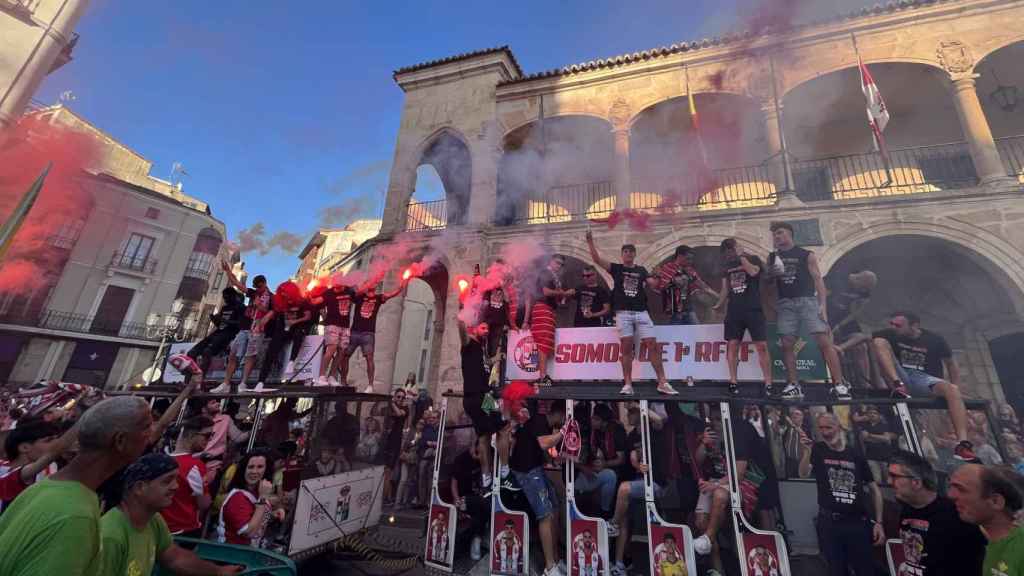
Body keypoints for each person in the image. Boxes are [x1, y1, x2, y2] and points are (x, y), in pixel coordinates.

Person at [0, 396, 153, 576]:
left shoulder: (44, 487)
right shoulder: (77, 516)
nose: (151, 434)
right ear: (120, 440)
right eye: (146, 427)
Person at [101, 453, 242, 575]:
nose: (176, 486)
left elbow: (175, 557)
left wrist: (219, 572)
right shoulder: (111, 537)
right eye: (167, 481)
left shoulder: (153, 519)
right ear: (140, 488)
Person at [872, 311, 977, 461]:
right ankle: (898, 386)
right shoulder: (889, 334)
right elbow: (865, 339)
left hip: (924, 378)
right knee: (878, 342)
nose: (894, 327)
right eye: (892, 324)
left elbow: (951, 364)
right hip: (900, 375)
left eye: (898, 325)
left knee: (952, 390)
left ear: (914, 325)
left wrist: (956, 387)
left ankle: (963, 444)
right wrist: (841, 347)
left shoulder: (935, 339)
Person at [586, 230, 677, 395]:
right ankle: (628, 384)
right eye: (625, 252)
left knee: (653, 345)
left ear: (634, 254)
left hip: (641, 312)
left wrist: (657, 275)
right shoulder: (617, 268)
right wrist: (590, 242)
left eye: (631, 251)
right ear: (622, 255)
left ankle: (662, 382)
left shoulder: (641, 270)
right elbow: (596, 260)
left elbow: (654, 285)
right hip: (623, 313)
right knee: (626, 348)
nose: (628, 254)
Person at [766, 221, 850, 400]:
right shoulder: (773, 257)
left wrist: (822, 306)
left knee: (823, 340)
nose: (777, 236)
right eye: (774, 234)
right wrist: (774, 301)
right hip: (785, 303)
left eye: (779, 233)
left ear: (789, 234)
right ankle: (793, 384)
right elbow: (771, 283)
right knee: (787, 343)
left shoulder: (805, 254)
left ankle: (839, 384)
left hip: (807, 300)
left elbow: (818, 280)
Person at [798, 412, 885, 576]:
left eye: (828, 427)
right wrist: (806, 452)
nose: (825, 432)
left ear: (838, 427)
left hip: (857, 522)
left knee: (865, 569)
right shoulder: (817, 449)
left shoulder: (854, 454)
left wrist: (879, 522)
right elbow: (803, 473)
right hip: (830, 522)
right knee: (836, 569)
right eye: (821, 428)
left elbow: (874, 489)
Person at [887, 449, 986, 576]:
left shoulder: (957, 514)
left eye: (894, 476)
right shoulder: (907, 510)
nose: (889, 482)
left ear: (916, 483)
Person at [609, 404, 674, 576]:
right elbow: (632, 458)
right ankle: (619, 564)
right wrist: (639, 466)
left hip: (657, 483)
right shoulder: (631, 436)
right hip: (641, 481)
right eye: (628, 411)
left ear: (640, 413)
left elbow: (659, 420)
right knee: (622, 513)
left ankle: (612, 524)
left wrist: (638, 404)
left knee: (623, 489)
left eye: (631, 412)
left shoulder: (652, 429)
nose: (628, 414)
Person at [506, 399, 567, 576]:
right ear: (560, 414)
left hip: (534, 468)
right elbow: (543, 443)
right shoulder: (540, 420)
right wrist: (564, 432)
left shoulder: (543, 425)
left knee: (555, 507)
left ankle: (555, 559)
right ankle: (549, 568)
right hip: (525, 471)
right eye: (564, 419)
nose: (563, 422)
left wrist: (554, 460)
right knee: (546, 514)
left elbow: (539, 448)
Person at [714, 238, 772, 397]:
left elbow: (753, 272)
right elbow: (725, 289)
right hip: (734, 310)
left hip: (753, 309)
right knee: (732, 345)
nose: (729, 254)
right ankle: (733, 381)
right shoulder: (726, 267)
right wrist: (718, 304)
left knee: (761, 346)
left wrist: (741, 256)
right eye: (727, 252)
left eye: (732, 250)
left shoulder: (752, 259)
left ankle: (768, 382)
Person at [947, 464, 1024, 576]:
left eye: (961, 490)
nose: (950, 495)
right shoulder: (987, 540)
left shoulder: (1020, 548)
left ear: (995, 501)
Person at [213, 262, 276, 393]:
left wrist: (259, 306)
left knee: (250, 355)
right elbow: (237, 284)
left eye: (259, 286)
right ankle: (226, 383)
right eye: (255, 287)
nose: (257, 289)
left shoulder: (272, 297)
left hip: (258, 329)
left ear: (264, 283)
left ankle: (243, 383)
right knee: (233, 353)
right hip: (245, 327)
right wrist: (228, 271)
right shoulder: (254, 293)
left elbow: (272, 312)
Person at [339, 280, 406, 392]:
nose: (372, 285)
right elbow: (352, 293)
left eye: (374, 284)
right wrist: (363, 286)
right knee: (345, 355)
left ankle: (370, 385)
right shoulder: (360, 297)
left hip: (368, 333)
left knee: (369, 358)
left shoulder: (379, 298)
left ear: (377, 286)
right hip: (355, 331)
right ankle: (343, 381)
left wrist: (401, 285)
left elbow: (391, 295)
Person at [0, 419, 77, 512]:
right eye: (49, 440)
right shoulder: (6, 473)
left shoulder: (52, 465)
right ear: (24, 447)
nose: (57, 443)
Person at [460, 320, 501, 490]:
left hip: (481, 397)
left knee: (484, 436)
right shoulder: (468, 344)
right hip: (479, 397)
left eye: (488, 328)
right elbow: (461, 330)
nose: (486, 331)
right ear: (473, 328)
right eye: (483, 328)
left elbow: (484, 365)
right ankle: (502, 468)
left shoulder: (481, 350)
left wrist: (496, 357)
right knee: (503, 427)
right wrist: (463, 314)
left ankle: (486, 476)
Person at [523, 254, 574, 387]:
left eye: (561, 264)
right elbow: (545, 292)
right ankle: (542, 376)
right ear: (551, 262)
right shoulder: (546, 273)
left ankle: (543, 375)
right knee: (543, 342)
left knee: (546, 342)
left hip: (549, 309)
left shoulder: (554, 277)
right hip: (542, 308)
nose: (559, 266)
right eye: (557, 262)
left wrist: (562, 296)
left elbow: (551, 294)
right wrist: (563, 293)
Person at [218, 451, 286, 547]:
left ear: (266, 470)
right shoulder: (238, 497)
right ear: (243, 470)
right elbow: (249, 533)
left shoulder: (257, 491)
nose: (254, 471)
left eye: (260, 467)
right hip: (233, 556)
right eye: (250, 467)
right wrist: (262, 499)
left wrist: (271, 515)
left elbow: (254, 517)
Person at [162, 416, 214, 537]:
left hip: (160, 530)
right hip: (184, 531)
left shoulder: (161, 459)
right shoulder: (195, 466)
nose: (209, 440)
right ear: (191, 435)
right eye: (207, 435)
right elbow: (204, 503)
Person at [825, 270, 878, 388]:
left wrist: (841, 325)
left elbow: (856, 312)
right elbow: (820, 298)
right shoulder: (835, 279)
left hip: (844, 320)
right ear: (859, 279)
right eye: (863, 287)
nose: (864, 291)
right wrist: (825, 321)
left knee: (862, 345)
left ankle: (865, 384)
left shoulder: (865, 292)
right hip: (827, 317)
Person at [187, 287, 247, 374]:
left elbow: (241, 324)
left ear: (233, 296)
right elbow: (220, 325)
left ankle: (200, 378)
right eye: (224, 297)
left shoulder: (241, 307)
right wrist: (214, 319)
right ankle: (190, 378)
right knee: (191, 353)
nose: (225, 299)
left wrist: (224, 320)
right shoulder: (224, 308)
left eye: (227, 297)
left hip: (230, 334)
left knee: (207, 352)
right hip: (218, 332)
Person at [257, 293, 313, 386]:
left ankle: (292, 361)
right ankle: (261, 381)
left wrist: (295, 321)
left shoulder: (302, 302)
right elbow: (270, 314)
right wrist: (261, 323)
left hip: (296, 329)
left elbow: (308, 316)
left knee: (298, 335)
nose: (288, 298)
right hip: (283, 329)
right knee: (271, 351)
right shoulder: (280, 304)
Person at [654, 245, 717, 325]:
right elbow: (661, 288)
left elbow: (700, 283)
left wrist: (716, 295)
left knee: (696, 333)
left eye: (691, 259)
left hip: (688, 307)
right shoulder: (668, 268)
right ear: (680, 256)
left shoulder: (689, 269)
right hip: (674, 309)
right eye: (688, 258)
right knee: (676, 335)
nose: (690, 261)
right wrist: (674, 282)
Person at [309, 282, 357, 386]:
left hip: (345, 326)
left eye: (340, 285)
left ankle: (331, 376)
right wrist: (310, 294)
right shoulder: (328, 293)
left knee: (342, 350)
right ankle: (321, 376)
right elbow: (316, 302)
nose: (338, 287)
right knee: (331, 349)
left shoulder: (349, 290)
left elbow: (358, 296)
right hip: (332, 325)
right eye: (336, 286)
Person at [451, 443, 490, 561]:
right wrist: (456, 500)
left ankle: (477, 539)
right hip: (463, 499)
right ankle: (477, 540)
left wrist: (483, 460)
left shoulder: (484, 458)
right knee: (483, 505)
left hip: (477, 498)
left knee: (483, 506)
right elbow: (454, 483)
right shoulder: (461, 460)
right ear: (473, 446)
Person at [197, 398, 248, 482]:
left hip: (215, 465)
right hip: (196, 463)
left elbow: (238, 438)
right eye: (213, 403)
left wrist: (253, 432)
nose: (217, 404)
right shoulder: (196, 421)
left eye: (217, 402)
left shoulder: (225, 419)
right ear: (203, 409)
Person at [383, 387, 411, 506]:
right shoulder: (389, 408)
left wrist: (392, 402)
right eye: (398, 396)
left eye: (402, 397)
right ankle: (387, 497)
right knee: (384, 472)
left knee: (388, 471)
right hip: (385, 441)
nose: (401, 399)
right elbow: (374, 412)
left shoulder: (405, 408)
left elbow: (400, 414)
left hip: (395, 442)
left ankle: (387, 499)